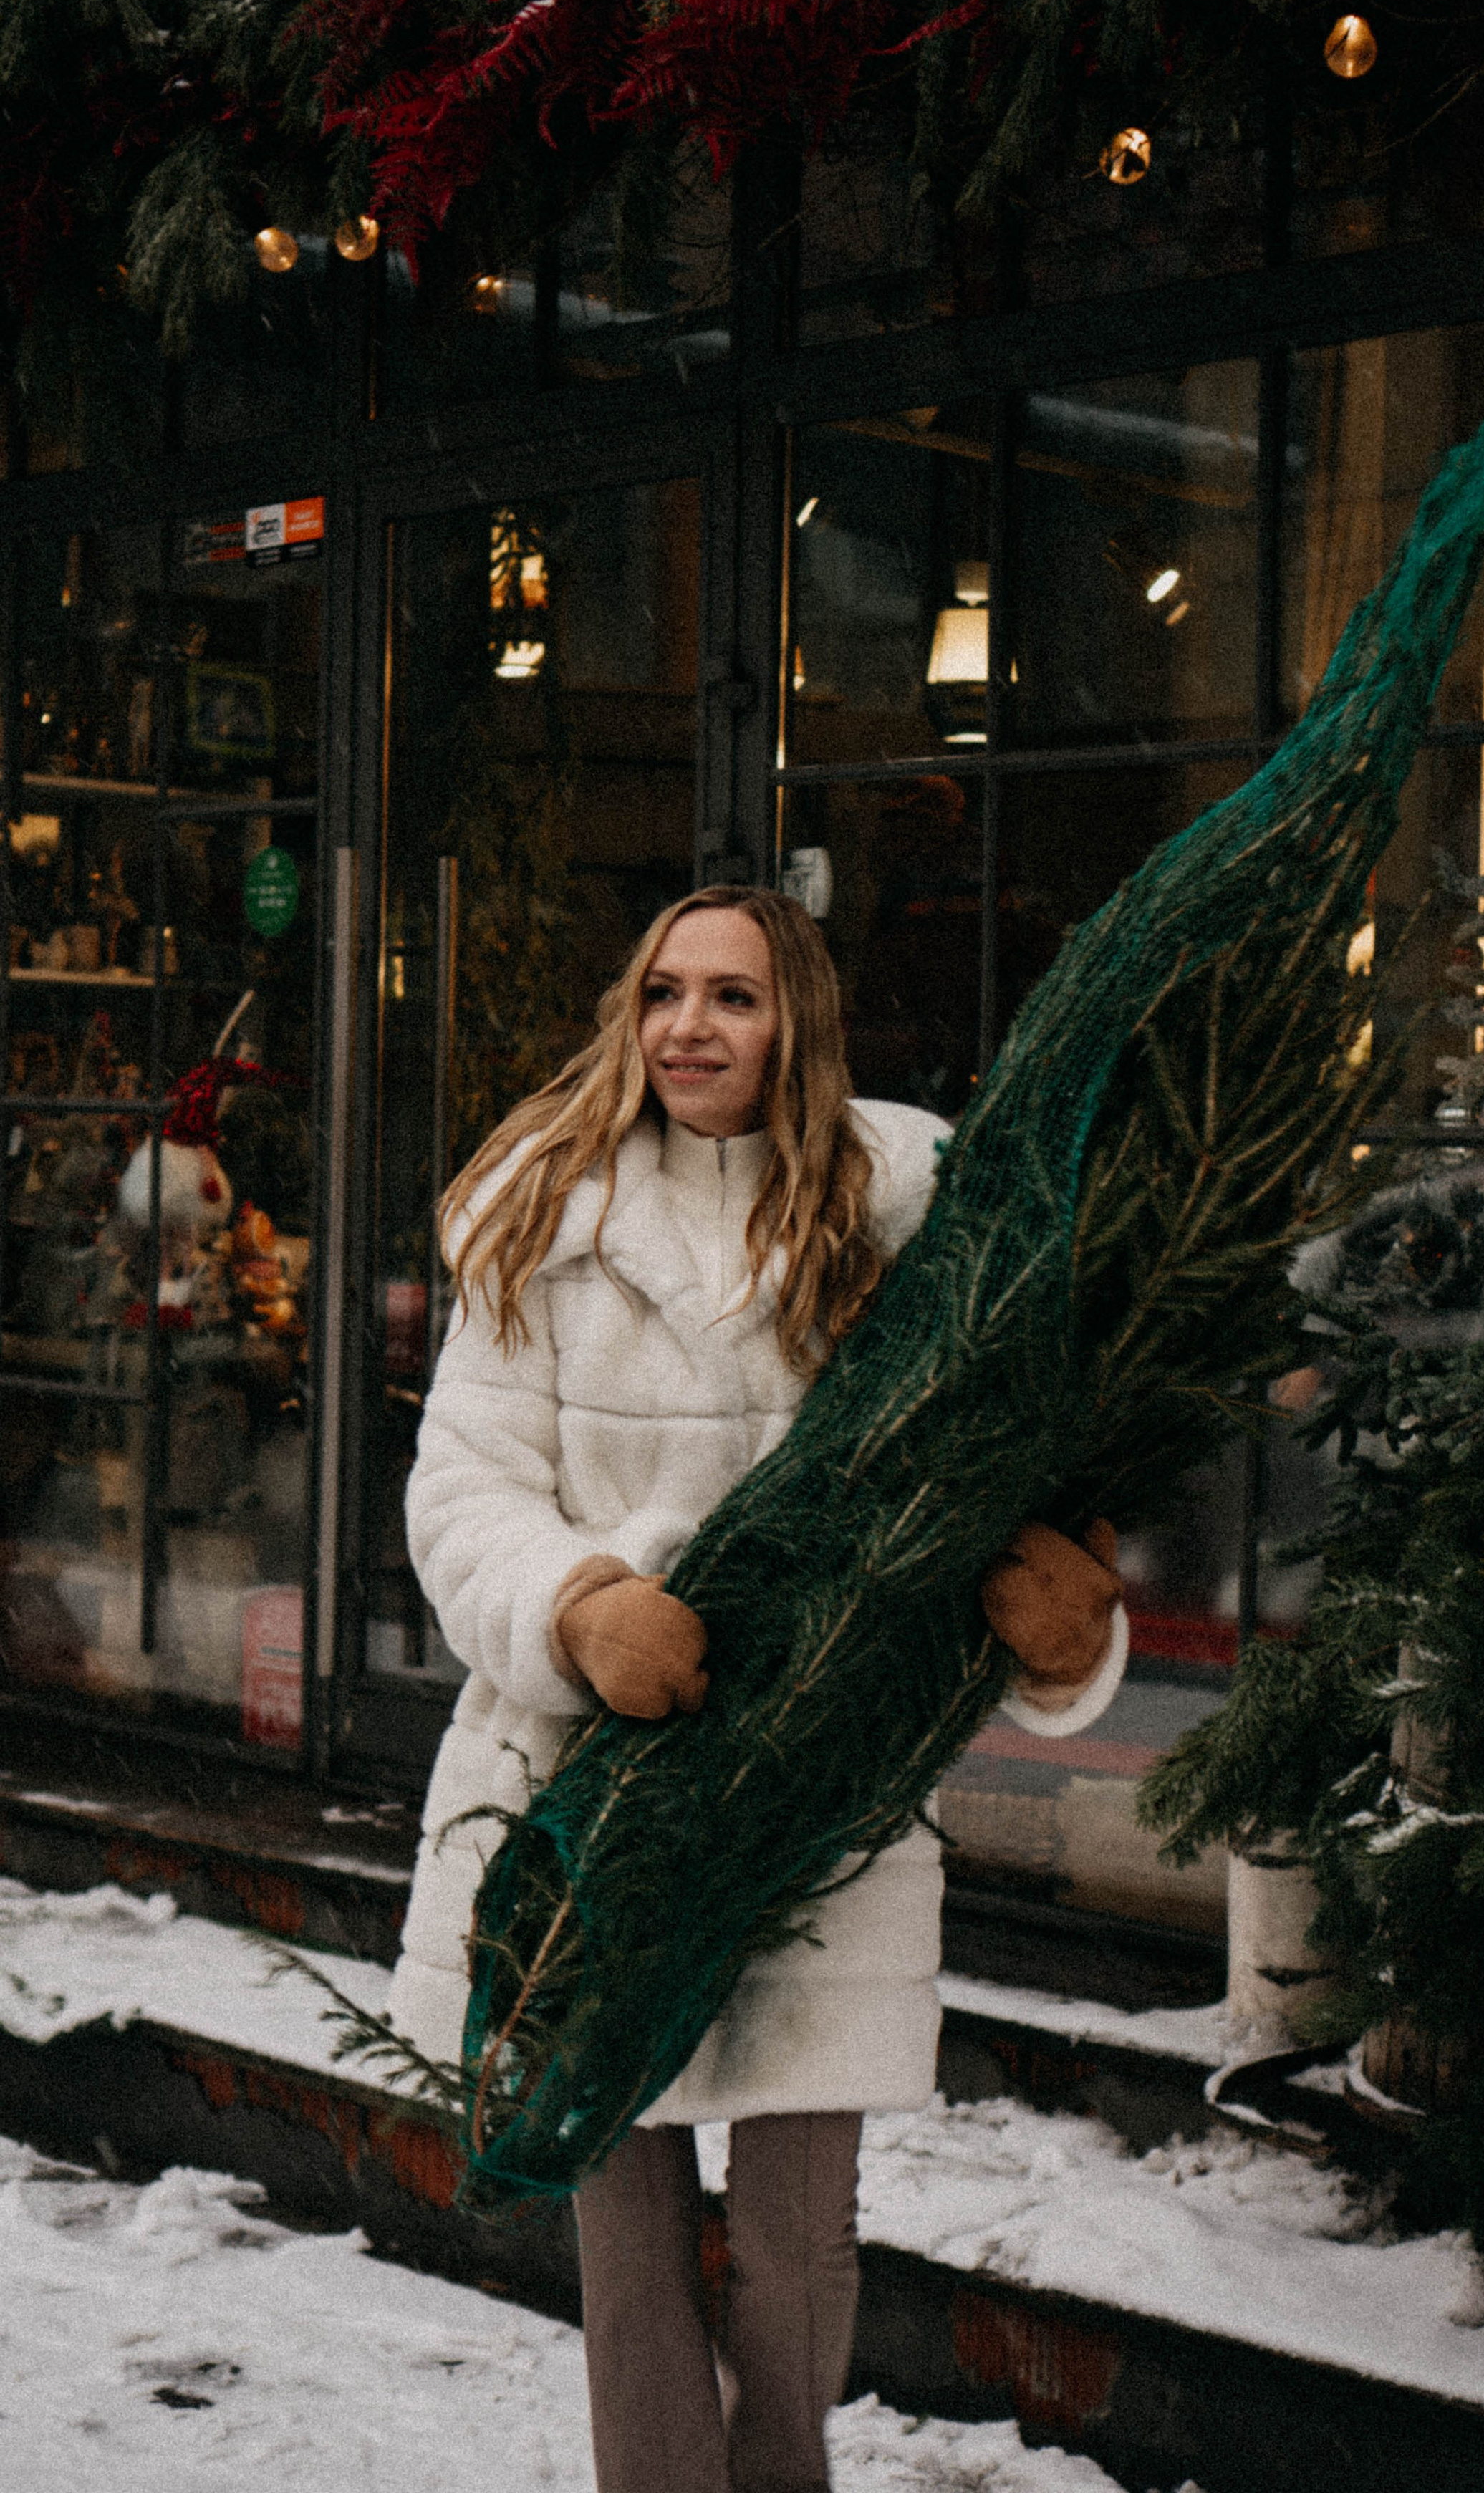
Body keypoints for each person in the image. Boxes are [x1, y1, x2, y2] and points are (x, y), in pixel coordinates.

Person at [388, 885, 1129, 2493]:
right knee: (629, 2240)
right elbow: (458, 1489)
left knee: (801, 2246)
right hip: (593, 1784)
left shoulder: (908, 1218)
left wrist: (1060, 1621)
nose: (686, 1030)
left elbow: (988, 1495)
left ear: (794, 1017)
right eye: (661, 993)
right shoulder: (547, 1213)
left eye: (729, 997)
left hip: (818, 1806)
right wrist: (578, 1604)